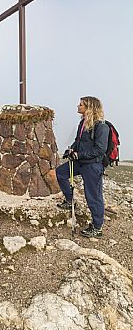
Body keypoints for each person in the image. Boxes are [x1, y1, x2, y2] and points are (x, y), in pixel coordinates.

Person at [56, 96, 109, 238]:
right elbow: (77, 141)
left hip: (92, 166)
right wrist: (71, 150)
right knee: (60, 173)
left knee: (93, 196)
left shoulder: (102, 127)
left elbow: (100, 150)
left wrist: (79, 155)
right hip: (79, 162)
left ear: (89, 108)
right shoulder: (83, 123)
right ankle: (69, 200)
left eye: (81, 105)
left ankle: (97, 227)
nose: (78, 106)